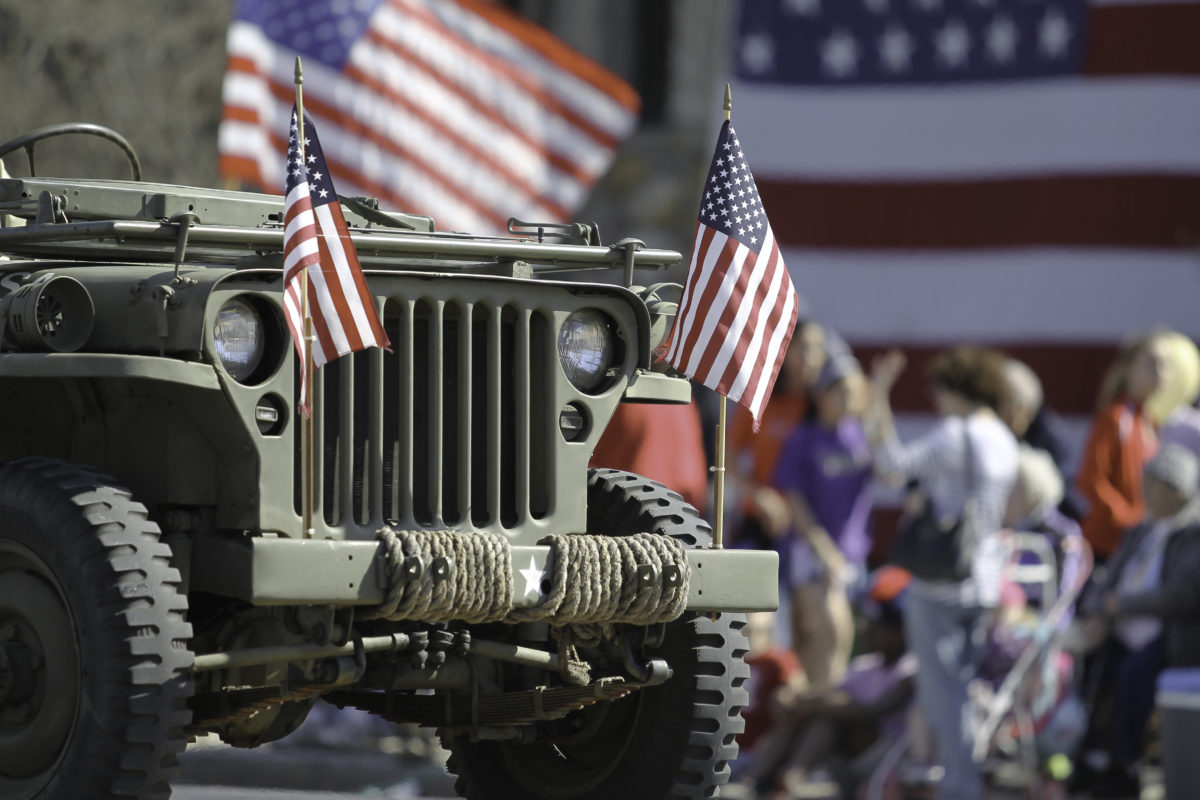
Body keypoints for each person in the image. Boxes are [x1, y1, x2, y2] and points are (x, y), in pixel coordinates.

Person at [866, 345, 1019, 800]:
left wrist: (878, 397)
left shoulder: (956, 432)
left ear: (955, 388)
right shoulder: (1005, 437)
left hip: (941, 582)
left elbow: (892, 469)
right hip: (987, 579)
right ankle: (967, 779)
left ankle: (961, 787)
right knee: (964, 690)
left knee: (943, 696)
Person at [1072, 444, 1200, 798]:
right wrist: (1099, 613)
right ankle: (1092, 760)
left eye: (1153, 484)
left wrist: (1121, 606)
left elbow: (1181, 597)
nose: (1145, 491)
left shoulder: (1193, 532)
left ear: (1176, 490)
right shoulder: (1141, 528)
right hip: (1120, 628)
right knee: (1090, 668)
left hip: (1169, 638)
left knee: (1132, 677)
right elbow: (1109, 577)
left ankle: (1125, 767)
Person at [742, 567, 916, 800]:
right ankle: (761, 776)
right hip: (849, 760)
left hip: (889, 759)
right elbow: (833, 695)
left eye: (876, 625)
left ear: (900, 632)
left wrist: (811, 702)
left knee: (827, 718)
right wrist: (800, 700)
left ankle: (790, 778)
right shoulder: (865, 666)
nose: (867, 629)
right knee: (809, 710)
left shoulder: (911, 669)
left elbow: (873, 710)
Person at [771, 353, 873, 688]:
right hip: (811, 553)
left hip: (851, 553)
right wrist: (824, 550)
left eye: (853, 392)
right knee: (830, 630)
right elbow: (795, 503)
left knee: (818, 643)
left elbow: (891, 471)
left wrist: (882, 396)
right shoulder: (804, 439)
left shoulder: (862, 436)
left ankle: (813, 707)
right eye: (840, 391)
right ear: (821, 395)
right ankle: (823, 709)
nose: (849, 400)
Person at [1076, 332, 1170, 563]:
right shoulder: (1115, 418)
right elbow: (1091, 480)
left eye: (1166, 364)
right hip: (1105, 547)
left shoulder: (1151, 422)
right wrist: (1128, 517)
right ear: (1128, 368)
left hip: (1136, 546)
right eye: (1152, 362)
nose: (1160, 372)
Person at [589, 398, 710, 515]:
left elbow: (590, 466)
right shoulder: (685, 400)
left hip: (637, 512)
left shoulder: (621, 401)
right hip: (687, 512)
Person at [1000, 357, 1081, 519]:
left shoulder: (1053, 440)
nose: (1000, 419)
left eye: (1005, 411)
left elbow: (1068, 498)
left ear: (1025, 410)